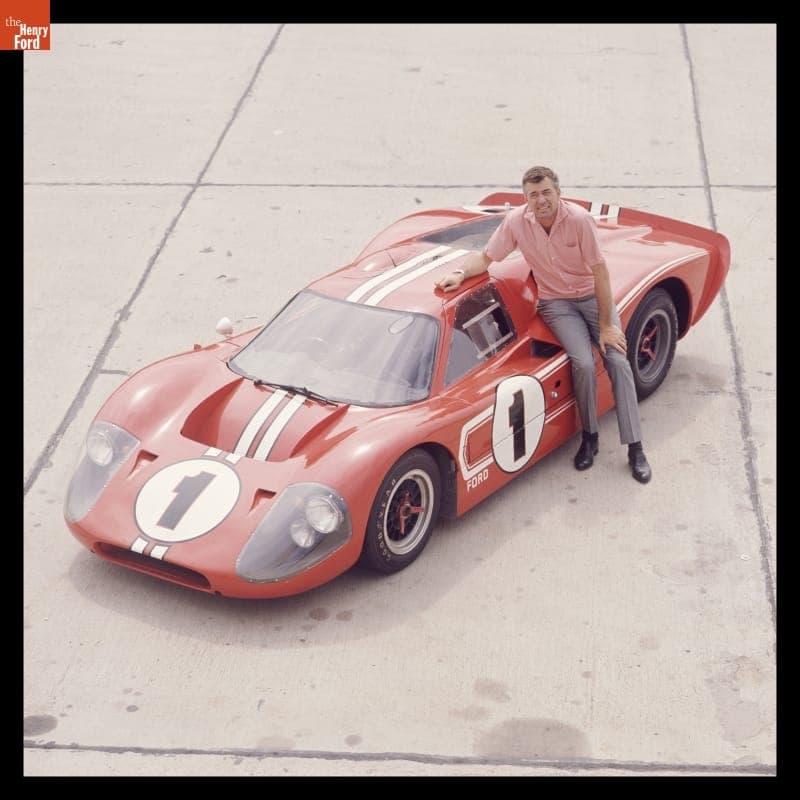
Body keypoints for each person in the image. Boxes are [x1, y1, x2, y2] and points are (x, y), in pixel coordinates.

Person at [435, 165, 651, 483]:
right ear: (526, 199)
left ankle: (635, 448)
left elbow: (600, 272)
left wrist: (607, 326)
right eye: (533, 195)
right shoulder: (516, 223)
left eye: (546, 192)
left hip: (593, 299)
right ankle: (590, 438)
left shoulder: (578, 221)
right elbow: (486, 258)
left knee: (617, 359)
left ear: (558, 193)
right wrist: (460, 273)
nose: (541, 200)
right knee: (583, 364)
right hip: (557, 304)